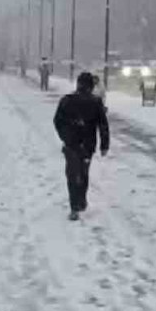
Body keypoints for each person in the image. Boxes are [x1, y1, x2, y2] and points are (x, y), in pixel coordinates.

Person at [53, 72, 110, 220]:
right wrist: (104, 145)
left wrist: (65, 136)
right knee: (84, 172)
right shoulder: (96, 102)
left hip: (71, 144)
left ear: (78, 84)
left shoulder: (67, 100)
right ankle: (82, 200)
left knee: (72, 174)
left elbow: (57, 121)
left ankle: (74, 207)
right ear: (91, 86)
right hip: (88, 145)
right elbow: (103, 125)